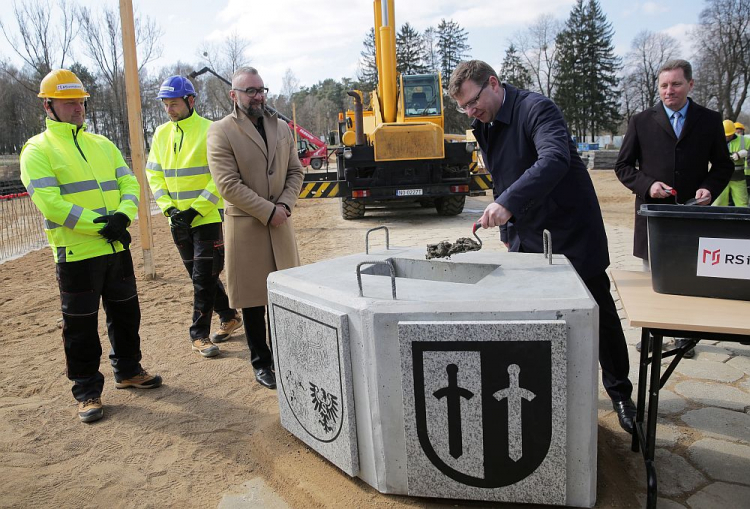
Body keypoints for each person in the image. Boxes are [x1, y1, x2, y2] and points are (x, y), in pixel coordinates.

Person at [448, 60, 636, 435]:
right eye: (464, 108)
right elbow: (502, 178)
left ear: (494, 84)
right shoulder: (484, 125)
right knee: (535, 313)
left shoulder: (537, 109)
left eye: (473, 102)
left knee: (599, 312)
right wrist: (507, 230)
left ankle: (619, 393)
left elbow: (554, 159)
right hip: (527, 236)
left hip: (569, 229)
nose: (471, 112)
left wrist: (508, 203)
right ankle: (546, 384)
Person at [20, 69, 162, 424]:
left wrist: (123, 218)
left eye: (80, 101)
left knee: (127, 316)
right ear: (49, 105)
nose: (77, 108)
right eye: (68, 102)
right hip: (77, 256)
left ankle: (128, 371)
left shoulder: (103, 144)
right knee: (81, 328)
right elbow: (52, 204)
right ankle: (86, 392)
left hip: (115, 250)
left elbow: (129, 182)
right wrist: (105, 228)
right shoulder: (37, 149)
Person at [615, 59, 733, 359]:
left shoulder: (709, 120)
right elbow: (623, 166)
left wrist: (710, 187)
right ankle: (654, 335)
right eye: (664, 85)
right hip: (655, 218)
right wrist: (648, 186)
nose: (669, 91)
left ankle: (685, 336)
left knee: (691, 278)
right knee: (654, 280)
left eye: (676, 84)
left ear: (690, 85)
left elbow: (723, 166)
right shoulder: (641, 121)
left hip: (693, 218)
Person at [206, 67, 304, 389]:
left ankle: (286, 356)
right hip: (247, 227)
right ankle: (261, 362)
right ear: (233, 95)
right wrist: (268, 210)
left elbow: (295, 171)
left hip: (281, 225)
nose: (258, 95)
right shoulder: (221, 131)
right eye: (250, 90)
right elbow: (228, 184)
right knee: (252, 301)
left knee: (283, 297)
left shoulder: (280, 127)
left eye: (261, 89)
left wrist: (285, 206)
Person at [146, 75, 242, 358]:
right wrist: (170, 209)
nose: (169, 110)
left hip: (207, 218)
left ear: (190, 101)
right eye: (165, 105)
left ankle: (198, 335)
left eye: (173, 104)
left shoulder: (212, 131)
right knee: (201, 277)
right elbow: (154, 174)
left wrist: (196, 209)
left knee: (203, 278)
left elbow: (221, 177)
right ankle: (229, 316)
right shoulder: (161, 134)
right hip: (177, 221)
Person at [713, 119, 749, 207]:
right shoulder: (715, 140)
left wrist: (744, 153)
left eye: (729, 135)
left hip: (738, 178)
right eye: (725, 135)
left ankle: (742, 220)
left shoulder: (744, 141)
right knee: (718, 204)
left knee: (742, 204)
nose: (727, 137)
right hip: (721, 177)